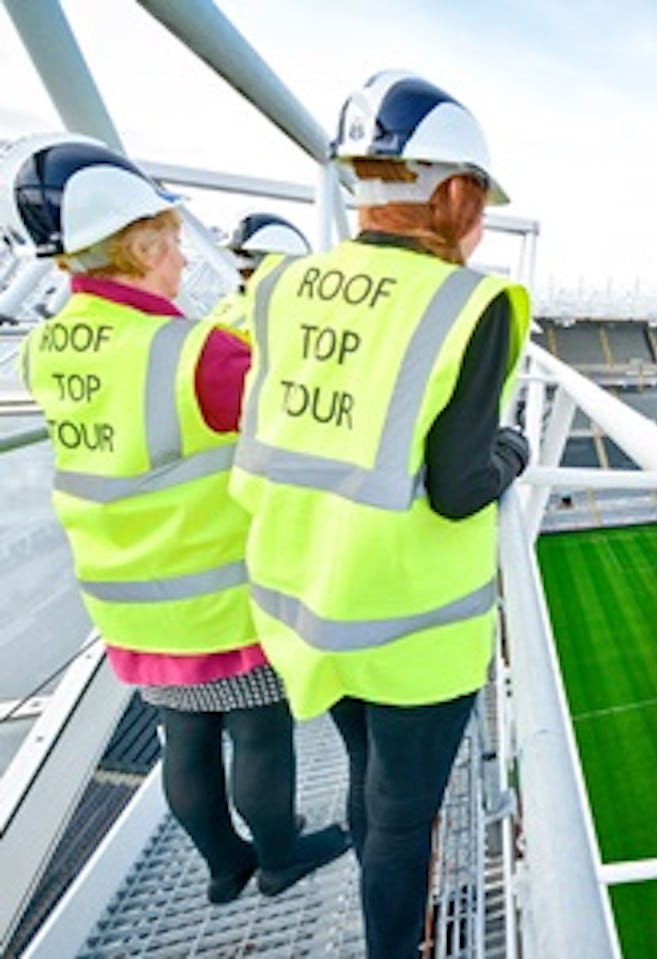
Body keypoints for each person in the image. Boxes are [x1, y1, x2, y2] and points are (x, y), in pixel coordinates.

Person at [229, 71, 531, 957]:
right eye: (477, 200)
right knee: (402, 821)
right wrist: (512, 450)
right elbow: (460, 482)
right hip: (410, 630)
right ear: (450, 193)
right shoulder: (471, 304)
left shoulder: (280, 287)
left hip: (302, 604)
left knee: (367, 781)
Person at [1, 133, 349, 904]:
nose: (186, 260)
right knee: (259, 735)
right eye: (171, 242)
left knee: (184, 742)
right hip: (219, 598)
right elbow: (300, 428)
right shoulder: (197, 353)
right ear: (139, 245)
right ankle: (281, 857)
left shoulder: (43, 351)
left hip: (124, 596)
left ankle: (227, 869)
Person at [205, 213, 310, 335]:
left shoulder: (295, 316)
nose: (241, 263)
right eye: (237, 254)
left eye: (247, 255)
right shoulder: (230, 303)